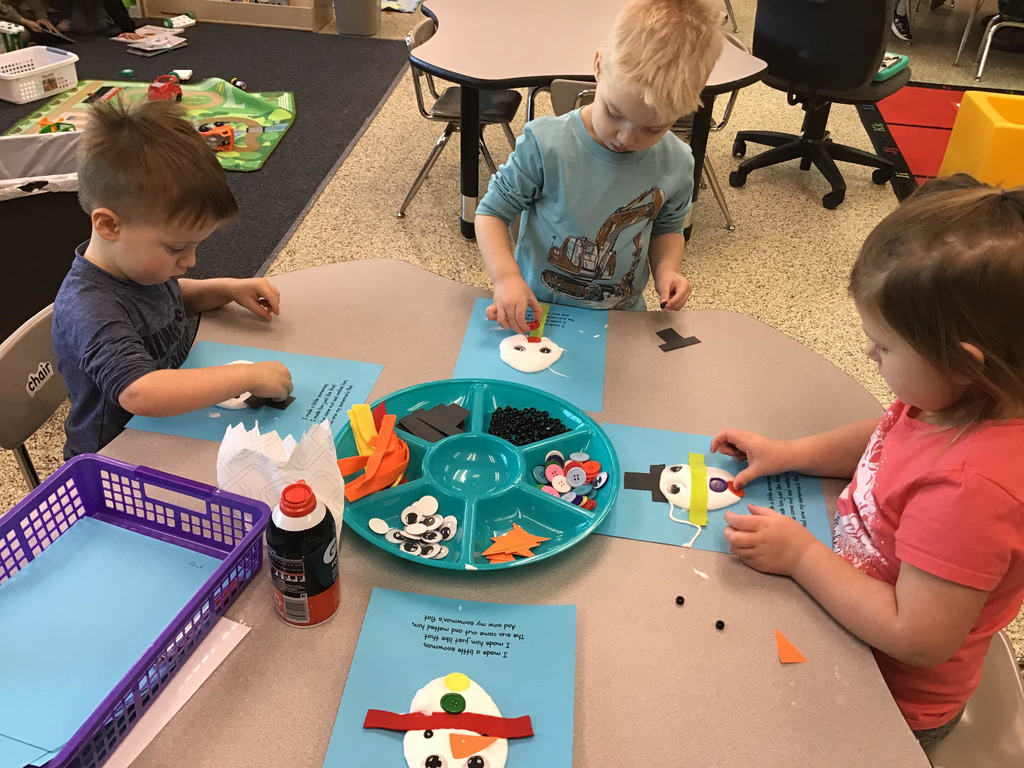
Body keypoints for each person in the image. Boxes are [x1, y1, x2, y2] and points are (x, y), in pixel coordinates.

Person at [711, 175, 1024, 755]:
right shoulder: (955, 396)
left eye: (883, 348)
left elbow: (917, 636)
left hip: (886, 697)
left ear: (962, 361)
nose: (867, 355)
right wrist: (791, 454)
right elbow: (885, 435)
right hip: (850, 614)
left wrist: (801, 557)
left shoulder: (971, 490)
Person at [53, 99, 293, 459]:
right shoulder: (90, 307)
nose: (191, 261)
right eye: (176, 247)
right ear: (109, 225)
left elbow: (167, 298)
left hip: (168, 429)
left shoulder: (139, 268)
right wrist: (247, 377)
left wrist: (226, 289)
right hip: (116, 457)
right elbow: (141, 392)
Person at [475, 0, 723, 333]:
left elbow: (667, 228)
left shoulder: (677, 163)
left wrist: (667, 271)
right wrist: (505, 278)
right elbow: (491, 212)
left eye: (652, 128)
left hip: (620, 319)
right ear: (598, 65)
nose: (624, 137)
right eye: (615, 112)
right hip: (537, 309)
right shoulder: (545, 144)